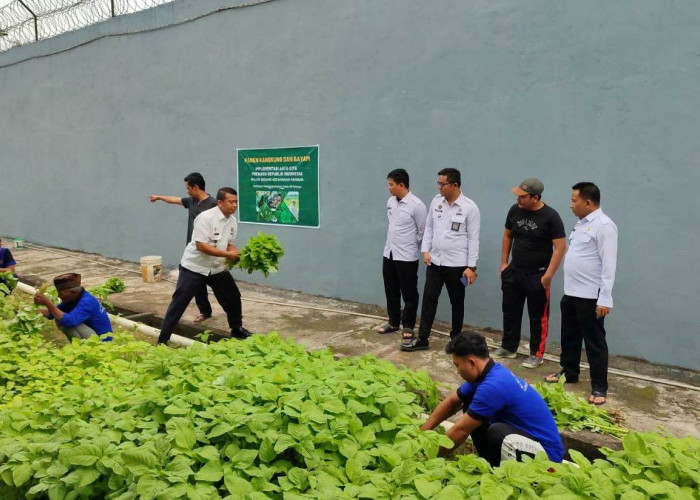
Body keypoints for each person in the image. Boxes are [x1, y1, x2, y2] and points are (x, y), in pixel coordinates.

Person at [420, 333, 564, 466]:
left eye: (457, 365)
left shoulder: (493, 386)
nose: (457, 371)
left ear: (471, 362)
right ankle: (490, 465)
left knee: (497, 432)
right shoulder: (488, 374)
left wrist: (426, 458)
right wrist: (420, 434)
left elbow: (461, 430)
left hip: (548, 457)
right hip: (525, 441)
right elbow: (452, 402)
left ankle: (505, 479)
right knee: (470, 403)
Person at [545, 182, 617, 406]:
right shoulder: (580, 224)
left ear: (588, 202)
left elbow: (608, 264)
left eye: (574, 201)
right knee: (569, 336)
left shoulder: (604, 226)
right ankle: (569, 372)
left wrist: (605, 298)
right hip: (572, 292)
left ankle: (599, 386)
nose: (571, 205)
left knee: (594, 341)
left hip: (591, 295)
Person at [157, 188, 252, 344]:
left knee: (233, 297)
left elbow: (229, 244)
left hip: (216, 268)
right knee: (179, 303)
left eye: (236, 202)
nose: (235, 205)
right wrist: (229, 255)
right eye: (231, 202)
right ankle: (163, 340)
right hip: (194, 267)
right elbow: (202, 247)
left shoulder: (232, 221)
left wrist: (236, 254)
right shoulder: (205, 218)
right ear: (220, 202)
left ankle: (236, 329)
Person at [402, 168, 480, 352]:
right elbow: (429, 227)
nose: (439, 187)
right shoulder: (436, 202)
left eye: (442, 184)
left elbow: (473, 239)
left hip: (457, 266)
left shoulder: (469, 207)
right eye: (438, 183)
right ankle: (422, 338)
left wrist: (471, 267)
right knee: (429, 299)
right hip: (435, 262)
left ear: (454, 185)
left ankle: (456, 340)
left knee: (457, 302)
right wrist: (425, 250)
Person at [492, 178, 566, 368]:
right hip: (514, 271)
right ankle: (508, 347)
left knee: (538, 317)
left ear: (535, 197)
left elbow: (560, 247)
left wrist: (548, 275)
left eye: (522, 196)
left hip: (537, 274)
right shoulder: (514, 210)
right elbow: (507, 235)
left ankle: (536, 354)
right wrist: (503, 263)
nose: (518, 199)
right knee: (510, 311)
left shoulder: (551, 217)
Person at [150, 172, 217, 323]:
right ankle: (205, 311)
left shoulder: (213, 204)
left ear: (195, 187)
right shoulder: (192, 201)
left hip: (209, 251)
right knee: (197, 283)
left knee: (216, 283)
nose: (186, 191)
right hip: (193, 250)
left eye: (188, 188)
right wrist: (159, 197)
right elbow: (175, 200)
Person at [377, 169, 427, 339]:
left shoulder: (417, 205)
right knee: (391, 289)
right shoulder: (391, 202)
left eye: (391, 184)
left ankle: (408, 325)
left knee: (409, 292)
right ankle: (393, 322)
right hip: (389, 253)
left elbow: (422, 232)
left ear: (401, 185)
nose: (389, 188)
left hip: (407, 256)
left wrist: (414, 248)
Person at [34, 273, 113, 341]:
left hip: (102, 340)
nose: (59, 296)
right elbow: (51, 313)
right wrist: (32, 311)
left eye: (61, 294)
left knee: (64, 321)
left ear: (72, 292)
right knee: (58, 316)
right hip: (91, 333)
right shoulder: (73, 298)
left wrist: (48, 303)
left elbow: (69, 321)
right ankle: (80, 347)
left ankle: (85, 348)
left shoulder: (87, 301)